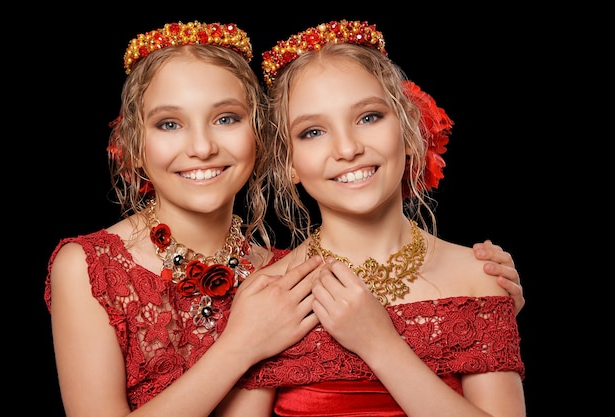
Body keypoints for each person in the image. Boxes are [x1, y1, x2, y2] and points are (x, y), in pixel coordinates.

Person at [44, 20, 523, 417]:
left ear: (260, 142)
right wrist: (242, 345)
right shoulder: (275, 285)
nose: (202, 146)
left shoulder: (271, 273)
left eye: (227, 118)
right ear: (133, 144)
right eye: (170, 123)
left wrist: (483, 314)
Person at [216, 20, 525, 416]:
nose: (347, 149)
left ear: (408, 129)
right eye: (313, 132)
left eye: (368, 117)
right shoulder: (272, 295)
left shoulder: (479, 275)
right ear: (289, 162)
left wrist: (381, 346)